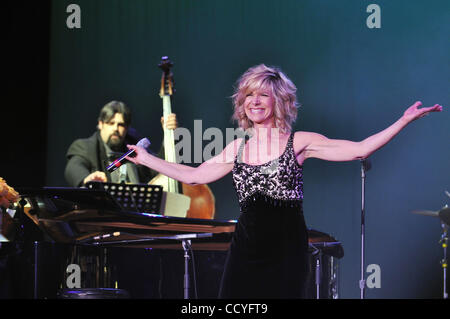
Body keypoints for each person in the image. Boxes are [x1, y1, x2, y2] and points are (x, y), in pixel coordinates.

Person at [124, 64, 443, 298]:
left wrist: (403, 121)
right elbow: (194, 175)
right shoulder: (237, 148)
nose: (255, 101)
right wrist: (145, 158)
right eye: (249, 95)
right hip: (245, 251)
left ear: (280, 101)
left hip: (286, 251)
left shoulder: (299, 141)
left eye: (264, 94)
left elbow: (359, 150)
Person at [64, 100, 178, 187]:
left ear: (127, 127)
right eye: (110, 123)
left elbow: (159, 168)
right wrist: (86, 179)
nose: (115, 129)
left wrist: (169, 135)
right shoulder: (86, 147)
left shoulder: (134, 145)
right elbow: (73, 167)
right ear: (100, 124)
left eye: (121, 124)